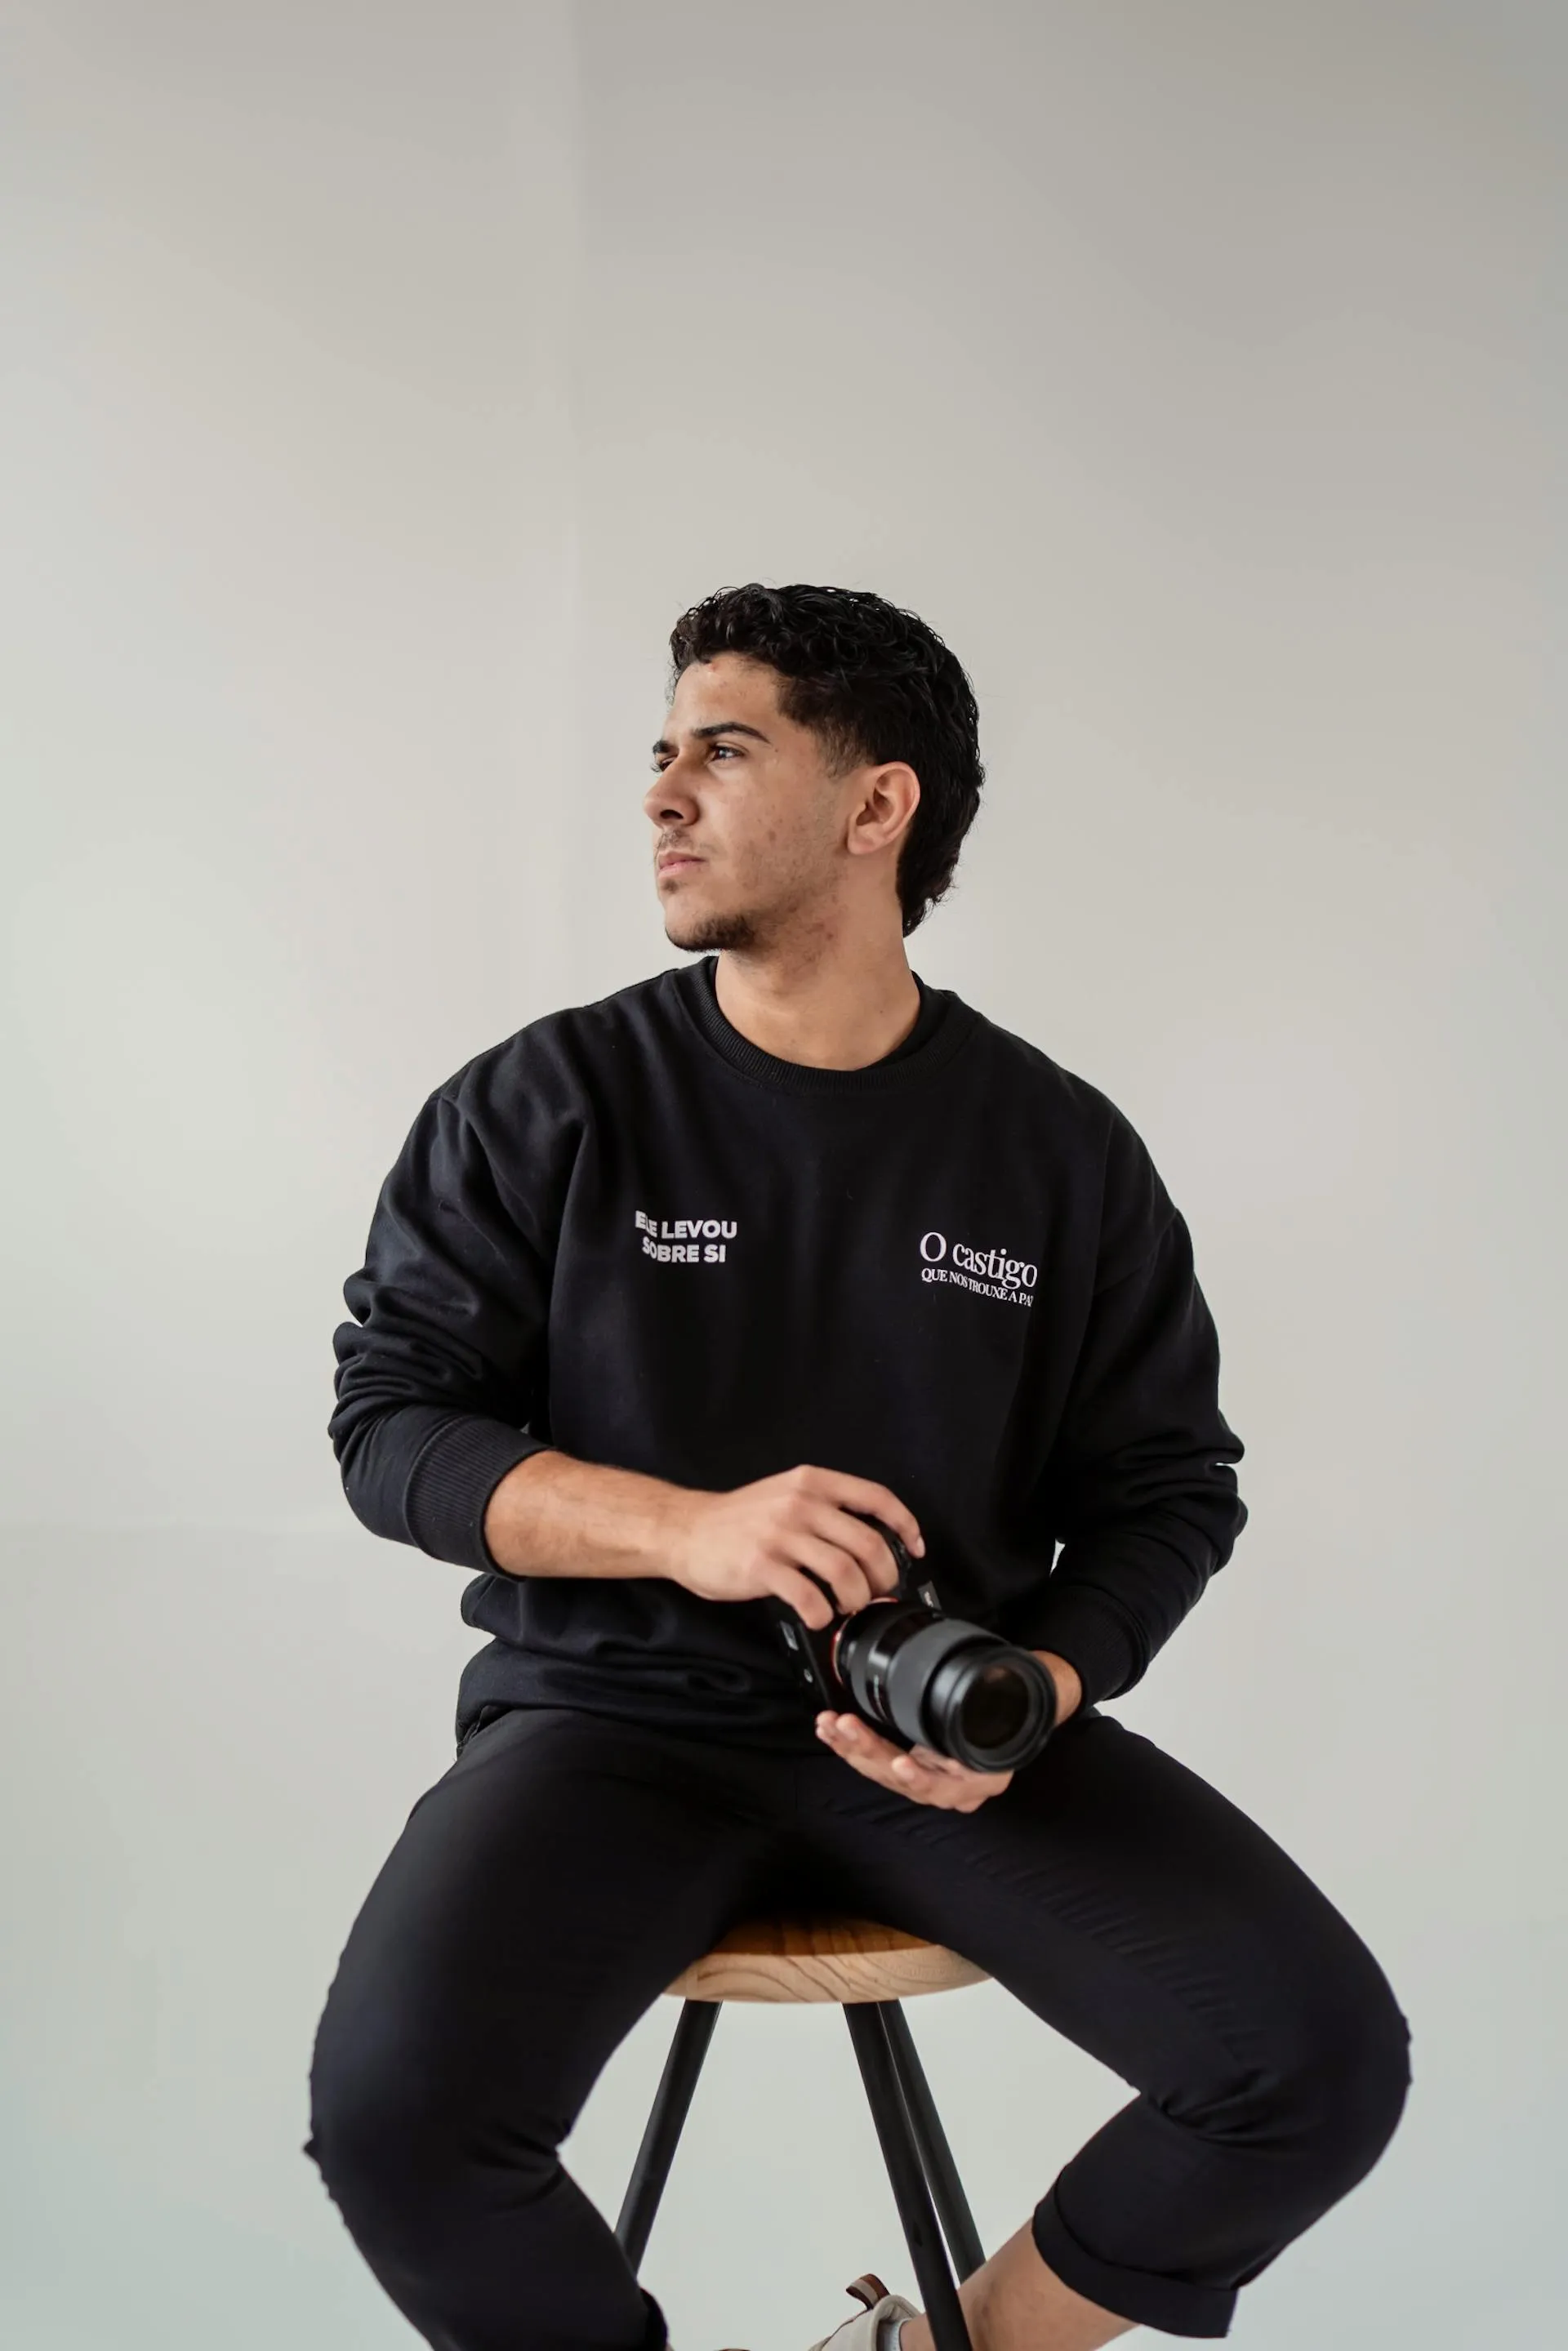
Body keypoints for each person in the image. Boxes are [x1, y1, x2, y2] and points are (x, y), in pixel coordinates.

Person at [305, 583, 1412, 2351]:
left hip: (940, 1735)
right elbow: (395, 1426)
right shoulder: (550, 1099)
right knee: (397, 2119)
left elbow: (1168, 1484)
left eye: (723, 749)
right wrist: (691, 1528)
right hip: (610, 1723)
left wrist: (1039, 1682)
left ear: (875, 804)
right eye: (658, 754)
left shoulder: (1054, 1148)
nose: (662, 794)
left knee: (1315, 2059)